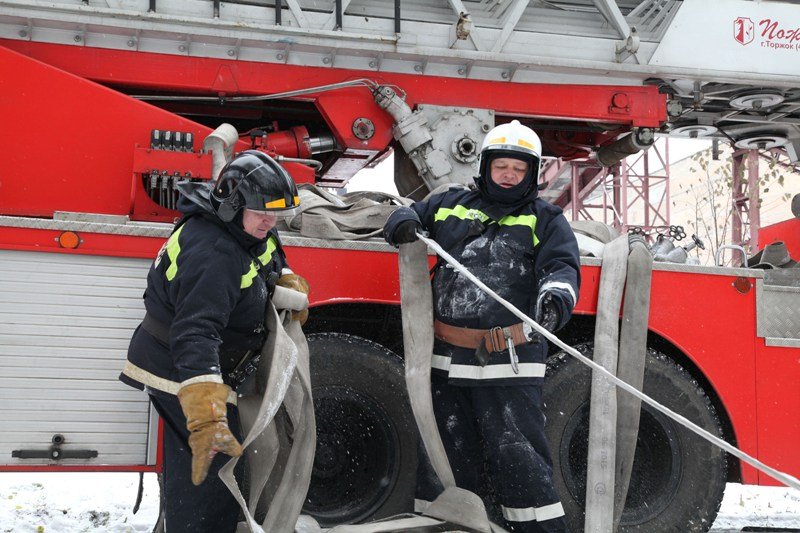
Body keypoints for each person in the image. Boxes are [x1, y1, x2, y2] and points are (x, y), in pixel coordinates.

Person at [384, 120, 580, 532]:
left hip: (509, 361)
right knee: (444, 460)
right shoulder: (451, 203)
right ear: (487, 166)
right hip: (447, 362)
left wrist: (556, 299)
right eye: (501, 166)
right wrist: (401, 223)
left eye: (518, 169)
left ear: (530, 173)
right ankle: (449, 526)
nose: (508, 175)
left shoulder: (546, 219)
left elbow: (561, 267)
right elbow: (406, 213)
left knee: (520, 461)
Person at [120, 150, 310, 532]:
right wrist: (206, 414)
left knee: (211, 471)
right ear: (233, 205)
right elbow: (195, 331)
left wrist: (284, 278)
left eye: (277, 214)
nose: (270, 221)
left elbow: (270, 253)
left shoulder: (248, 224)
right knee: (211, 478)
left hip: (199, 362)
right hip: (179, 369)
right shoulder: (214, 252)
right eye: (262, 213)